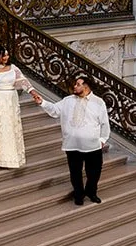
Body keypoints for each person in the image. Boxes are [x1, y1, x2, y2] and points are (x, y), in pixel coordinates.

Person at [31, 73, 110, 205]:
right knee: (75, 173)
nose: (74, 86)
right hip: (72, 144)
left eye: (78, 84)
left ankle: (91, 192)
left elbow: (104, 123)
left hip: (93, 146)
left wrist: (102, 140)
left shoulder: (98, 102)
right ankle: (78, 195)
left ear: (86, 87)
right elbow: (55, 110)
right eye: (75, 84)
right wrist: (42, 102)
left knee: (94, 173)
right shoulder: (68, 100)